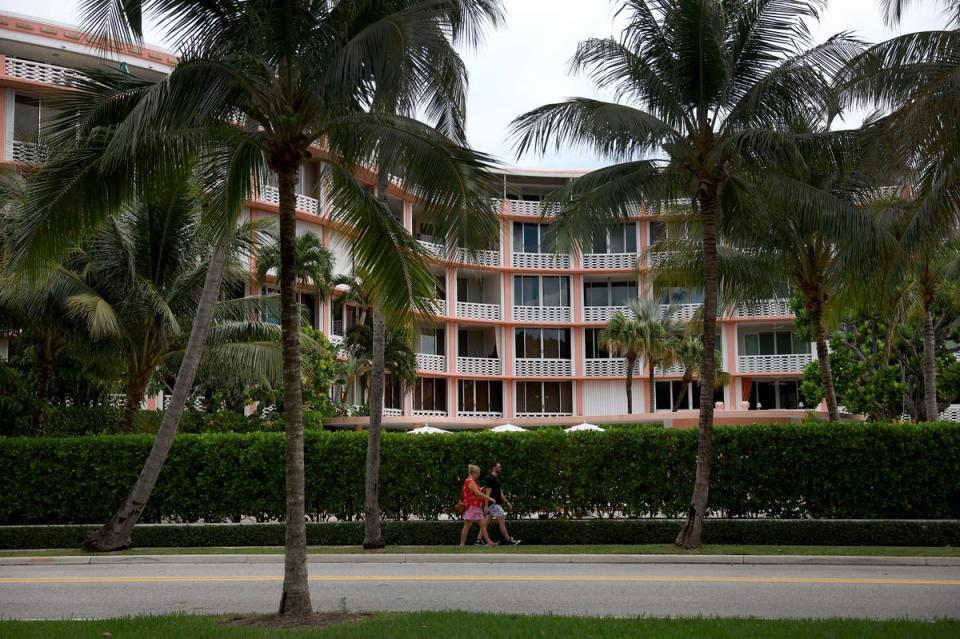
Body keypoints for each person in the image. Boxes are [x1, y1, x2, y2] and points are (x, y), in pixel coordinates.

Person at [476, 462, 521, 545]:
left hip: (494, 504)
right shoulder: (490, 478)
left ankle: (478, 540)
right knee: (502, 521)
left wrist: (507, 502)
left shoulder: (496, 479)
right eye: (499, 467)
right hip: (493, 504)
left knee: (485, 523)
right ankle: (508, 540)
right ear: (494, 468)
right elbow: (487, 493)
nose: (500, 468)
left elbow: (500, 493)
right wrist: (485, 506)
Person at [459, 464, 497, 547]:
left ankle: (489, 542)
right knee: (468, 525)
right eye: (478, 473)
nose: (479, 475)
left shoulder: (470, 481)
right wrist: (489, 498)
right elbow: (477, 493)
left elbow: (477, 491)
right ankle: (462, 544)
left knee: (482, 525)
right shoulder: (470, 481)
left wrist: (483, 488)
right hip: (472, 506)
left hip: (475, 507)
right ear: (474, 473)